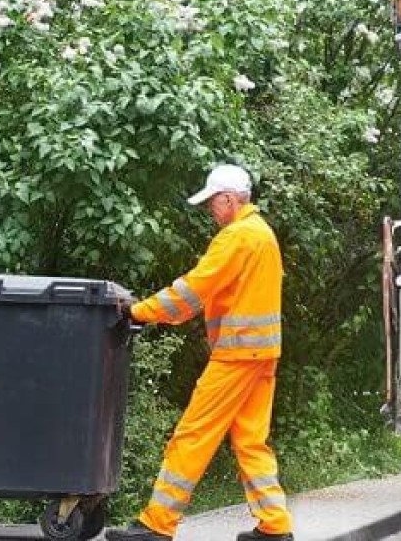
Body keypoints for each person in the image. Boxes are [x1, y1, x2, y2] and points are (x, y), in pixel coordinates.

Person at [108, 164, 295, 541]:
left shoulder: (237, 236)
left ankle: (157, 524)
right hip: (262, 355)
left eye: (212, 201)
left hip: (237, 356)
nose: (210, 209)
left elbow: (194, 289)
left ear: (228, 199)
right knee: (250, 440)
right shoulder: (262, 234)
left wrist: (139, 311)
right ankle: (275, 527)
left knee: (192, 435)